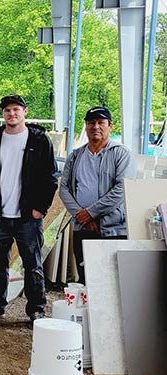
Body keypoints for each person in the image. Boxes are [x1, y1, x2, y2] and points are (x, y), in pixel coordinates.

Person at [0, 94, 58, 324]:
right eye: (7, 110)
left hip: (27, 216)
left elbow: (51, 176)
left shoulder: (39, 141)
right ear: (3, 114)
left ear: (25, 112)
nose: (12, 114)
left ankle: (36, 309)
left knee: (32, 264)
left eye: (16, 110)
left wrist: (40, 208)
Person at [59, 106, 135, 284]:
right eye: (91, 122)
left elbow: (121, 189)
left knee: (112, 281)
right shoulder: (75, 156)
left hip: (113, 230)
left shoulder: (121, 153)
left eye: (101, 122)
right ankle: (88, 312)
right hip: (83, 227)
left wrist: (91, 213)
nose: (96, 127)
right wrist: (80, 215)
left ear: (110, 126)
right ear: (85, 126)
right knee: (86, 279)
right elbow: (64, 189)